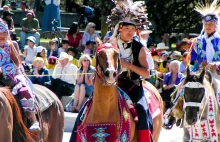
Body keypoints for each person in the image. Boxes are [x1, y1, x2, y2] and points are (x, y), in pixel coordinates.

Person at [0, 19, 40, 132]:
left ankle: (32, 119)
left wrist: (2, 70)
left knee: (23, 89)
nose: (1, 36)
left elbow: (17, 63)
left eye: (4, 33)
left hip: (11, 74)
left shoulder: (11, 45)